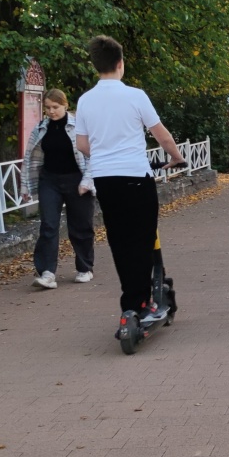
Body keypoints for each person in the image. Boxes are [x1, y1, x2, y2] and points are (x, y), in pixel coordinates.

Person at [72, 35, 184, 333]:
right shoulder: (135, 96)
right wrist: (176, 157)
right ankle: (143, 301)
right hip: (136, 177)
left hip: (105, 181)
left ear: (96, 65)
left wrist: (106, 154)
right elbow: (162, 135)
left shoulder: (85, 101)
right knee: (144, 240)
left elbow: (82, 144)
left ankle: (130, 303)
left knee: (120, 242)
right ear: (120, 64)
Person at [23, 89, 94, 289]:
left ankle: (84, 268)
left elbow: (91, 155)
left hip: (76, 180)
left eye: (55, 107)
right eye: (48, 108)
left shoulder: (78, 127)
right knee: (48, 225)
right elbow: (30, 158)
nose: (51, 112)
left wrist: (87, 181)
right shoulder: (41, 128)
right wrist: (25, 186)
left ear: (65, 105)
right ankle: (47, 273)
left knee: (80, 226)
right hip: (50, 180)